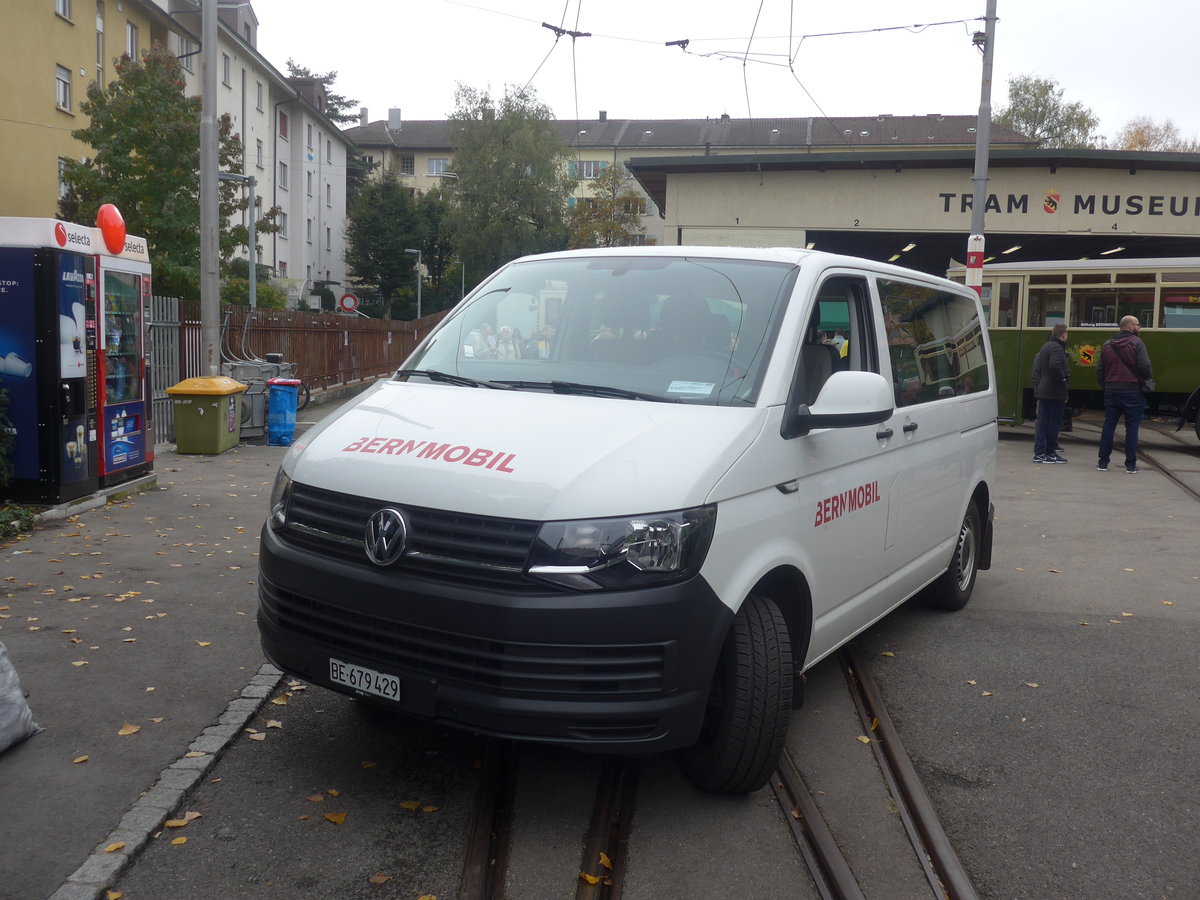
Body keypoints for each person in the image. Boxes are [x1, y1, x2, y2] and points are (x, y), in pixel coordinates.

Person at [1095, 315, 1153, 474]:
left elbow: (1099, 371)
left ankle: (1103, 462)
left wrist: (1106, 386)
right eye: (1138, 325)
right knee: (1132, 428)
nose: (1139, 327)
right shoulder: (1137, 343)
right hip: (1133, 391)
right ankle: (1131, 465)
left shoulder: (1107, 345)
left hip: (1112, 390)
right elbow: (1145, 366)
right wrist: (1146, 379)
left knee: (1108, 426)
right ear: (1130, 327)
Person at [1031, 323, 1070, 463]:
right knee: (1054, 423)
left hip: (1043, 391)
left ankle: (1039, 453)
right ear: (1063, 335)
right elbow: (1055, 365)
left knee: (1042, 422)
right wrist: (1063, 379)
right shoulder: (1057, 348)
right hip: (1055, 392)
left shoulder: (1045, 346)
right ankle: (1050, 453)